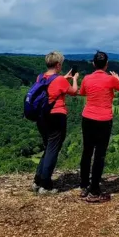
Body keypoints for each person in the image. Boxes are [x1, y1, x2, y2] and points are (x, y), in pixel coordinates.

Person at [79, 51, 119, 203]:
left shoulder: (87, 78)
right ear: (106, 65)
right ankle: (94, 190)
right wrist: (117, 78)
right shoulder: (110, 79)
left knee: (87, 151)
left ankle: (84, 185)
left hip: (87, 118)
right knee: (99, 154)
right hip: (104, 120)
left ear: (93, 64)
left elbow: (82, 92)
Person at [33, 51, 78, 194]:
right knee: (53, 150)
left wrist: (64, 78)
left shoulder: (40, 77)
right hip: (56, 117)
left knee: (48, 148)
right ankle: (45, 185)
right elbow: (74, 91)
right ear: (58, 65)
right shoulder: (59, 80)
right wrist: (75, 79)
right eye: (61, 64)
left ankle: (37, 181)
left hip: (41, 117)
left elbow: (50, 87)